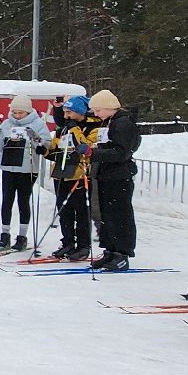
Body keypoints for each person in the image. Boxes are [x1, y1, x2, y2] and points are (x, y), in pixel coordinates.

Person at [88, 90, 142, 271]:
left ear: (109, 107)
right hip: (106, 174)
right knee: (106, 215)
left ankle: (122, 253)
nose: (96, 115)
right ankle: (110, 249)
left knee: (120, 215)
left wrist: (94, 153)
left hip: (119, 175)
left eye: (98, 110)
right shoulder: (108, 122)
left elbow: (122, 152)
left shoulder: (123, 123)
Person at [0, 96, 51, 250]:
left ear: (28, 111)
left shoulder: (38, 123)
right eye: (15, 112)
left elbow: (46, 144)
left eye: (21, 113)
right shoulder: (7, 123)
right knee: (7, 200)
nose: (17, 115)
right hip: (8, 166)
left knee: (23, 200)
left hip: (27, 168)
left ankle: (22, 236)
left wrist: (36, 139)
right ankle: (4, 234)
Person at [47, 96, 98, 261]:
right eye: (64, 112)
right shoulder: (63, 128)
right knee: (64, 211)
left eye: (69, 112)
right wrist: (45, 150)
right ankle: (68, 242)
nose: (66, 115)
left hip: (81, 174)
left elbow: (86, 147)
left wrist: (75, 129)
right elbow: (56, 148)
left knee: (82, 212)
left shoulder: (92, 126)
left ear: (79, 112)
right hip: (62, 173)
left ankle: (84, 245)